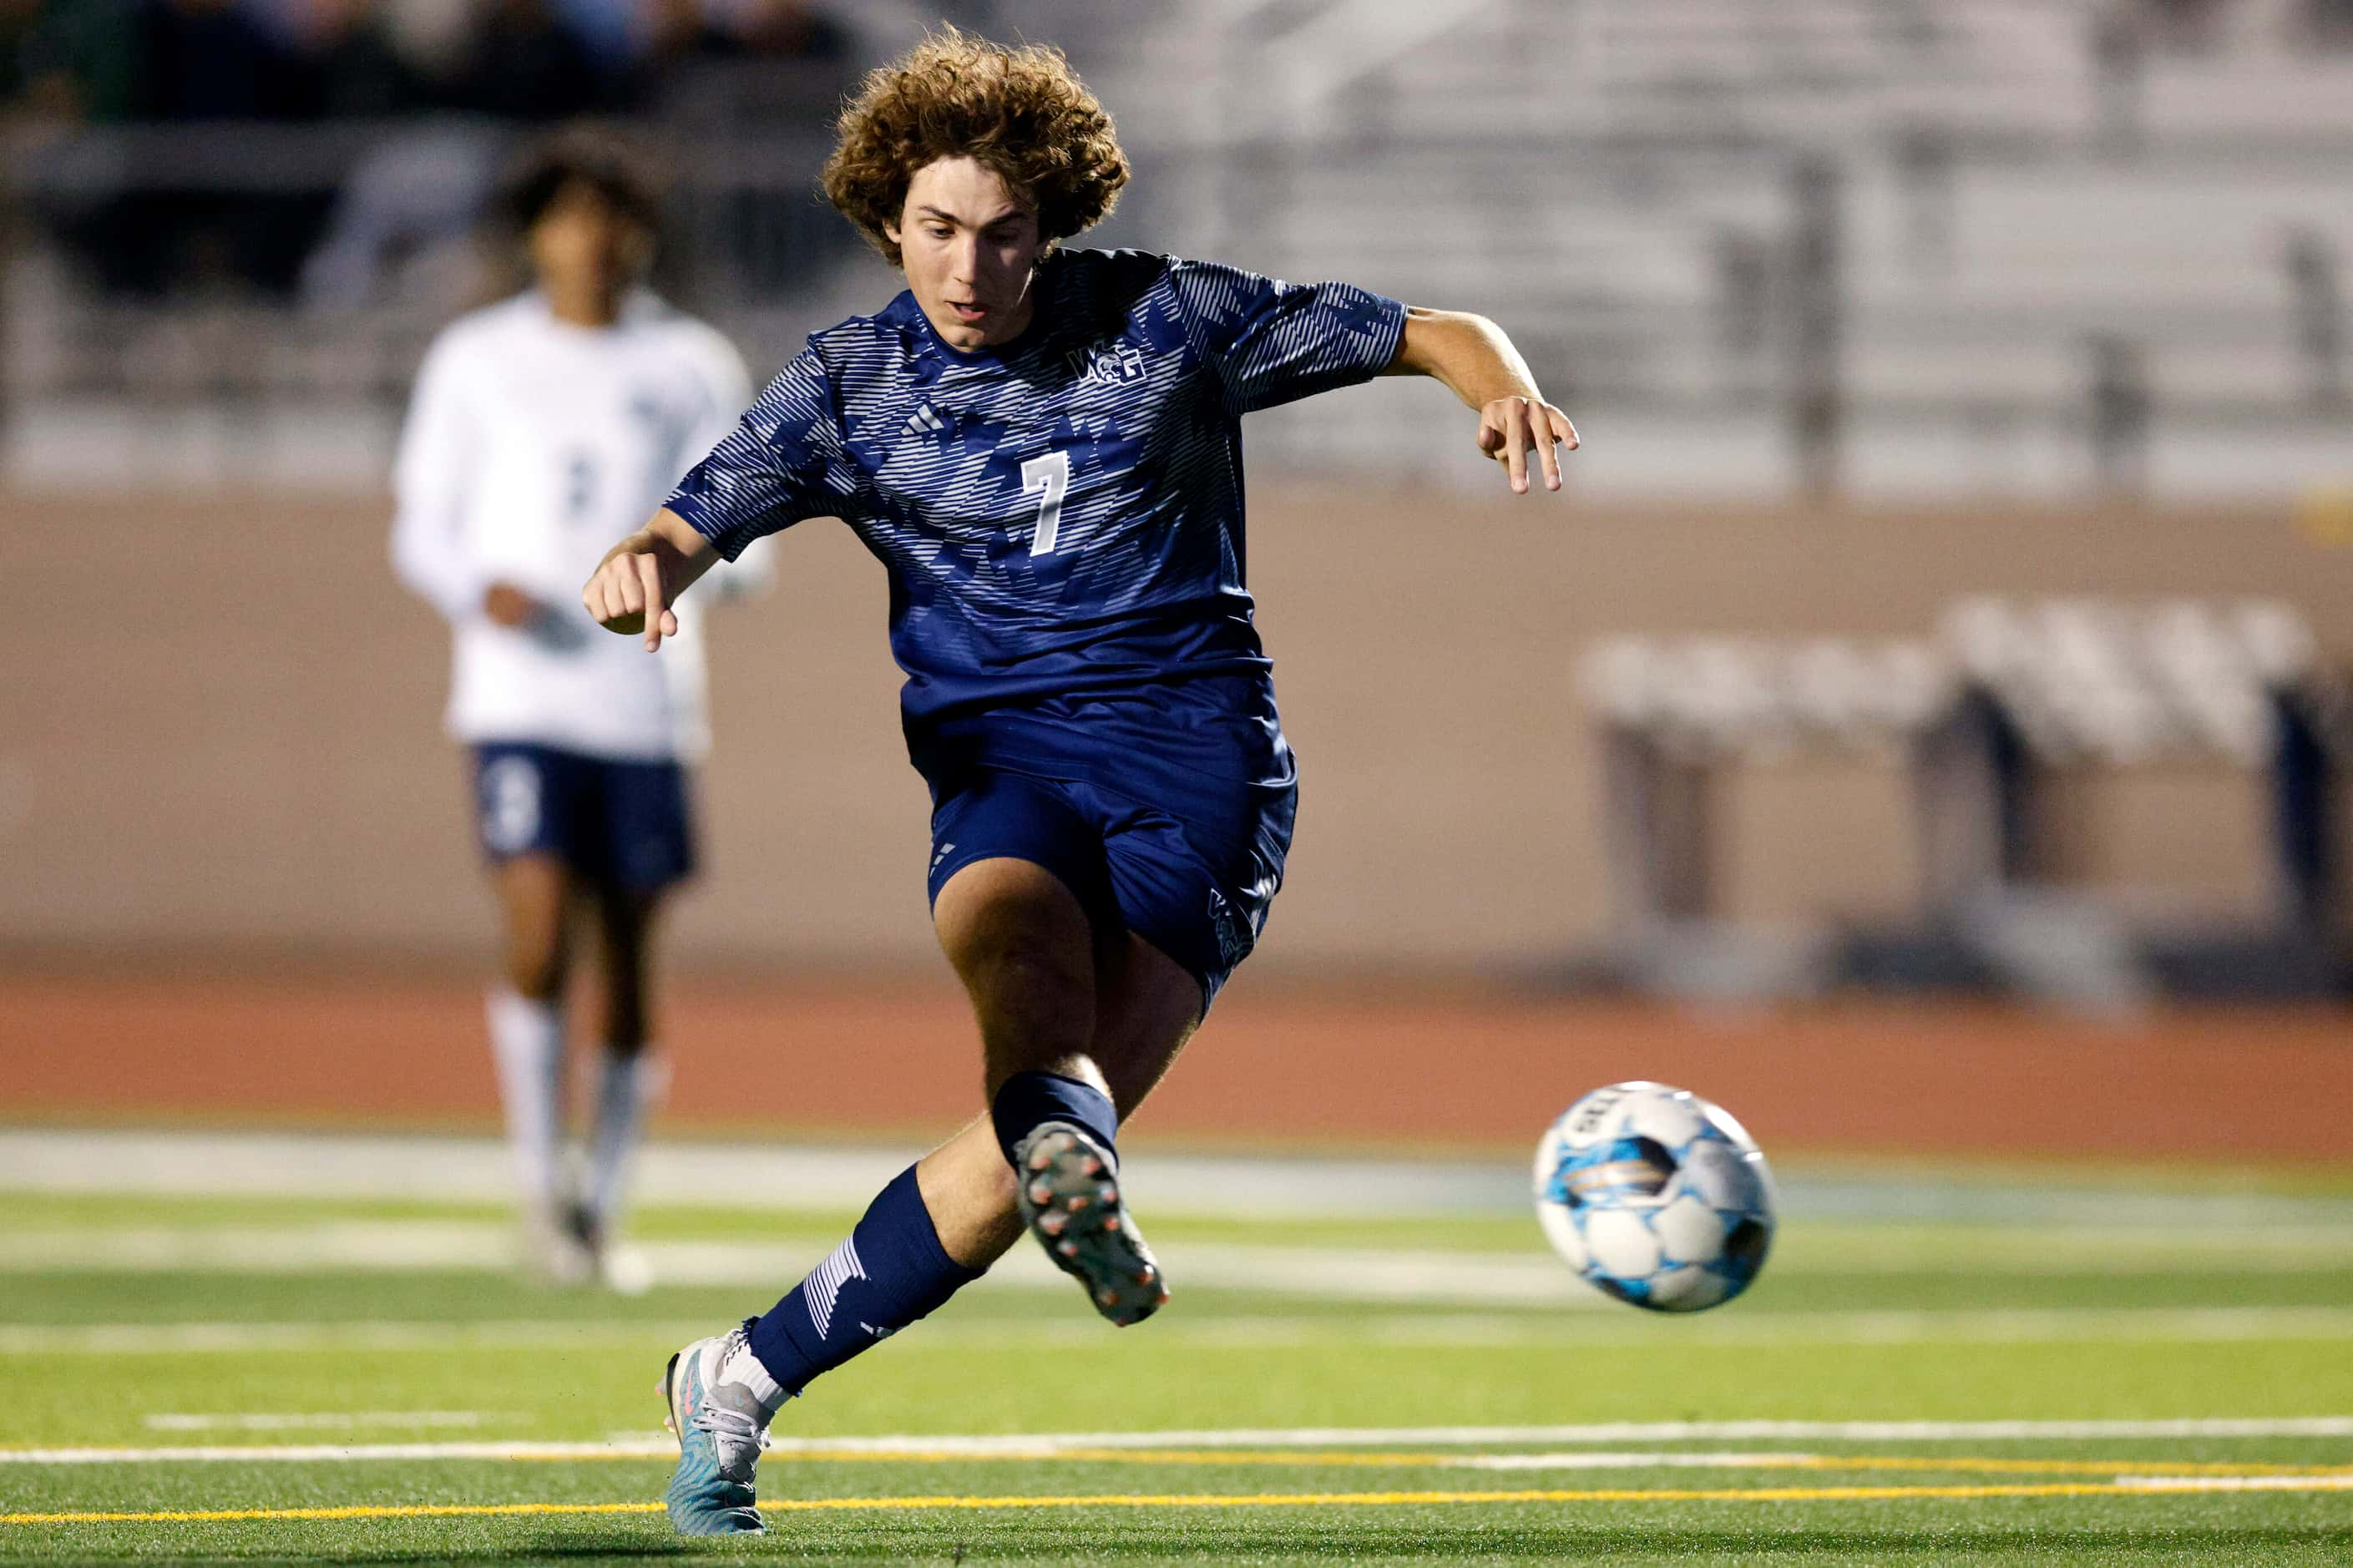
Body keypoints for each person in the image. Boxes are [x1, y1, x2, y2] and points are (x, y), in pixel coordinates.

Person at [579, 28, 1576, 1535]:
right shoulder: (847, 385)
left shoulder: (1170, 321)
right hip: (1003, 762)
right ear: (882, 219)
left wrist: (1493, 381)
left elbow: (1427, 326)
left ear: (1052, 224)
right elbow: (683, 524)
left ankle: (735, 1374)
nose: (967, 269)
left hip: (1203, 773)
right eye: (934, 231)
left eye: (1001, 234)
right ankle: (1066, 1146)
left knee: (1013, 1163)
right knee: (1014, 954)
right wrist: (635, 565)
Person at [393, 129, 765, 1291]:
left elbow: (748, 537)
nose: (590, 240)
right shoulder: (475, 358)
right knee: (539, 924)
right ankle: (534, 1179)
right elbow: (422, 524)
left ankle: (601, 1201)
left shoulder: (691, 363)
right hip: (518, 695)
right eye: (567, 215)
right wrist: (479, 589)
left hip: (643, 700)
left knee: (633, 958)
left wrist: (672, 574)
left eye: (612, 216)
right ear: (532, 233)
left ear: (642, 233)